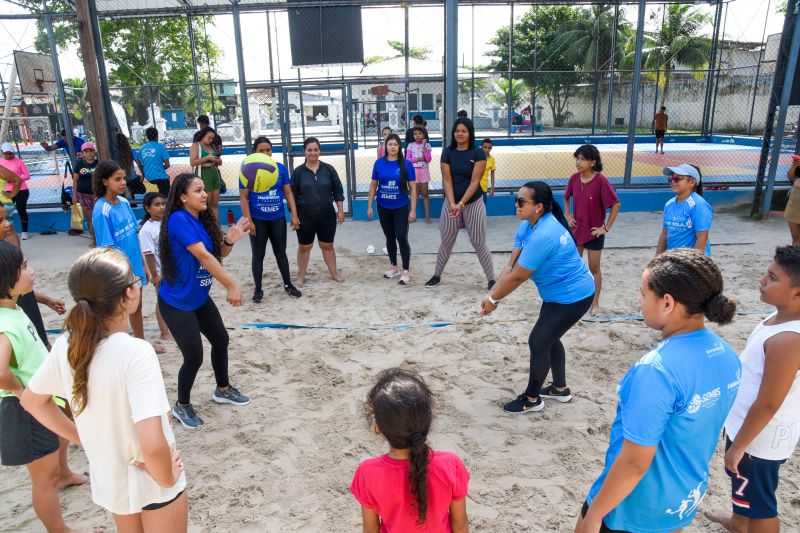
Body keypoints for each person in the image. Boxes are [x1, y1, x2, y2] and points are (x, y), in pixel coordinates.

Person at [22, 247, 188, 532]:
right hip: (151, 482)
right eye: (135, 280)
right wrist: (167, 478)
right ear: (128, 294)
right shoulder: (136, 352)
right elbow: (151, 441)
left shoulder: (66, 344)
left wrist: (82, 438)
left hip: (111, 478)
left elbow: (32, 401)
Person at [575, 248, 740, 533]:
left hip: (633, 508)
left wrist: (593, 515)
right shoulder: (727, 354)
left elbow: (634, 462)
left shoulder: (656, 371)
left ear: (667, 303)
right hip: (682, 498)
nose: (639, 302)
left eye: (642, 294)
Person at [706, 246, 800, 533]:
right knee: (742, 489)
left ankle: (750, 523)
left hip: (759, 440)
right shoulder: (777, 317)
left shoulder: (788, 340)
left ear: (797, 293)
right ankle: (737, 521)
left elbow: (769, 402)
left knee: (760, 505)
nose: (762, 280)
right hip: (748, 429)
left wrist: (741, 445)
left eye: (772, 278)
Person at [0, 241, 92, 533]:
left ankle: (64, 473)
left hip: (41, 398)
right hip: (24, 409)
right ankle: (60, 530)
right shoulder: (4, 322)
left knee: (61, 441)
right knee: (44, 479)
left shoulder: (13, 308)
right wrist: (20, 393)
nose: (32, 271)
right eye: (24, 266)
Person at [480, 181, 595, 413]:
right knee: (549, 337)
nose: (517, 205)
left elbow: (519, 277)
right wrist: (492, 296)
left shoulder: (544, 234)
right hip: (557, 295)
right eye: (517, 200)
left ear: (539, 207)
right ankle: (560, 389)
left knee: (539, 341)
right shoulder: (527, 226)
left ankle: (532, 399)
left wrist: (493, 301)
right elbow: (511, 267)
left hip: (573, 296)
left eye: (522, 202)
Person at [158, 173, 251, 429]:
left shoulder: (203, 219)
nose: (204, 194)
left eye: (203, 189)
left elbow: (218, 253)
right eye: (197, 190)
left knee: (221, 339)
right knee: (194, 356)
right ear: (183, 197)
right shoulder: (179, 219)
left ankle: (222, 389)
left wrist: (229, 239)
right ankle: (182, 405)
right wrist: (231, 285)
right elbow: (203, 257)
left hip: (198, 297)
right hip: (176, 302)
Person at [350, 368, 470, 533]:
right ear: (427, 422)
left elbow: (370, 529)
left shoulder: (367, 472)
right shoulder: (451, 464)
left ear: (378, 427)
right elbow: (460, 524)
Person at [425, 118, 495, 290]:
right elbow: (447, 180)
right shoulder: (447, 152)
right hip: (451, 202)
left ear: (470, 133)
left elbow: (474, 181)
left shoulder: (478, 153)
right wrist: (452, 203)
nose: (460, 133)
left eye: (464, 131)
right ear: (453, 133)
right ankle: (437, 275)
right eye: (457, 130)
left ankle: (492, 279)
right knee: (446, 241)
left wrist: (461, 204)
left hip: (473, 202)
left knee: (479, 242)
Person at [92, 160, 149, 345]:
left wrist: (142, 263)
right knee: (121, 308)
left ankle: (139, 343)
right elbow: (107, 248)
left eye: (124, 178)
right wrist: (122, 271)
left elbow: (134, 235)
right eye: (117, 179)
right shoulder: (102, 210)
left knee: (137, 305)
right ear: (104, 181)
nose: (123, 182)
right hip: (119, 269)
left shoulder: (124, 202)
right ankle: (120, 345)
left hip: (135, 264)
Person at [239, 136, 301, 302]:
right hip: (258, 220)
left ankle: (288, 285)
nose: (266, 153)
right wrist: (249, 221)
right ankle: (258, 289)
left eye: (268, 149)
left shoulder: (280, 169)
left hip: (277, 219)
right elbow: (244, 198)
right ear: (254, 152)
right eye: (261, 150)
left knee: (280, 252)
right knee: (258, 255)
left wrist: (294, 215)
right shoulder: (247, 170)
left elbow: (288, 193)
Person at [563, 145, 621, 316]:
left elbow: (616, 204)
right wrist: (568, 215)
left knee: (594, 268)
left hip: (594, 232)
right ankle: (572, 300)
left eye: (583, 159)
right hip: (577, 229)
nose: (578, 162)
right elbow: (566, 197)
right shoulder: (574, 178)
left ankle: (594, 304)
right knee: (574, 266)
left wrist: (606, 228)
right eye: (577, 158)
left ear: (593, 162)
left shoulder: (601, 180)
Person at [291, 137, 345, 285]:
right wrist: (294, 216)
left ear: (319, 151)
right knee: (304, 247)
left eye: (315, 150)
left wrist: (340, 210)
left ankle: (334, 273)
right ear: (304, 152)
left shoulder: (329, 169)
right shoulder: (298, 172)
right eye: (309, 150)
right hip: (305, 215)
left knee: (327, 245)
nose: (313, 153)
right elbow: (292, 197)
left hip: (326, 214)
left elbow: (338, 191)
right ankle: (301, 276)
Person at [367, 133, 417, 285]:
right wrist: (369, 205)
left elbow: (413, 189)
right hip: (383, 206)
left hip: (401, 206)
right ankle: (393, 266)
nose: (393, 147)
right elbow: (373, 185)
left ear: (399, 147)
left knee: (401, 236)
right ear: (385, 147)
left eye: (395, 144)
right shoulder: (379, 163)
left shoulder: (406, 164)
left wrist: (413, 210)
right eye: (390, 144)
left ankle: (406, 271)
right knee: (389, 237)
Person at [139, 192, 172, 352]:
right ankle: (164, 333)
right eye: (157, 205)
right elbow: (148, 254)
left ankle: (172, 328)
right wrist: (154, 274)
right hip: (160, 272)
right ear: (148, 208)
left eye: (163, 204)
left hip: (173, 269)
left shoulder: (166, 222)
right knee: (162, 301)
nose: (161, 207)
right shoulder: (146, 229)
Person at [657, 164, 712, 256]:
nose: (673, 182)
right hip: (674, 258)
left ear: (692, 182)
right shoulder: (669, 204)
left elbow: (702, 237)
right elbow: (664, 234)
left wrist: (693, 264)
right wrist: (657, 258)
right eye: (671, 179)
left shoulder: (698, 204)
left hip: (692, 261)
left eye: (678, 178)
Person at [190, 127, 223, 221]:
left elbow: (217, 160)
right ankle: (206, 227)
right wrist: (207, 158)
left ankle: (216, 227)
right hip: (203, 174)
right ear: (203, 135)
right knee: (205, 204)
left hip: (214, 173)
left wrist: (218, 161)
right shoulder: (196, 146)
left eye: (212, 138)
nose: (211, 140)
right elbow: (192, 162)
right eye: (209, 137)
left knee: (214, 203)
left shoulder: (212, 146)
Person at [1, 143, 31, 240]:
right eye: (6, 154)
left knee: (21, 210)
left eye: (10, 153)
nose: (9, 156)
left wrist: (15, 178)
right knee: (5, 212)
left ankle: (24, 232)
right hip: (6, 192)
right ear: (2, 153)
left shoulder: (19, 162)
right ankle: (5, 232)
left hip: (21, 190)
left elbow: (27, 175)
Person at [72, 142, 99, 246]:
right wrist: (74, 195)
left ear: (94, 152)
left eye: (91, 151)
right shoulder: (79, 165)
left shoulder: (99, 164)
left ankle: (103, 238)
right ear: (82, 153)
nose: (89, 154)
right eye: (86, 151)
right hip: (83, 195)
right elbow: (75, 181)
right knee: (90, 218)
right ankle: (94, 241)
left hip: (98, 194)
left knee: (99, 217)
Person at [406, 126, 432, 224]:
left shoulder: (427, 145)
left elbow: (428, 159)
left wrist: (424, 146)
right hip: (414, 171)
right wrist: (420, 159)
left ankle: (427, 217)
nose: (417, 135)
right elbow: (408, 159)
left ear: (424, 135)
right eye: (415, 133)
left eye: (420, 133)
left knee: (425, 193)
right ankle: (412, 216)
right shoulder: (410, 145)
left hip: (424, 170)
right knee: (414, 194)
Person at [136, 127, 171, 196]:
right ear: (156, 136)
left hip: (148, 176)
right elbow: (167, 165)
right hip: (160, 176)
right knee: (166, 191)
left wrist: (147, 171)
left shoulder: (142, 148)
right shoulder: (160, 146)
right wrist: (159, 169)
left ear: (147, 136)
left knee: (163, 180)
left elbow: (140, 164)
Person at [117, 132, 146, 205]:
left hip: (122, 178)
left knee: (127, 191)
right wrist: (142, 175)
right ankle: (131, 196)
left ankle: (129, 197)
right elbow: (139, 164)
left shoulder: (115, 153)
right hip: (133, 178)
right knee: (141, 189)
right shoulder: (131, 151)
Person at [782, 153, 800, 246]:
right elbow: (790, 176)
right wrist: (794, 166)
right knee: (795, 236)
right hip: (796, 200)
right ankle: (795, 259)